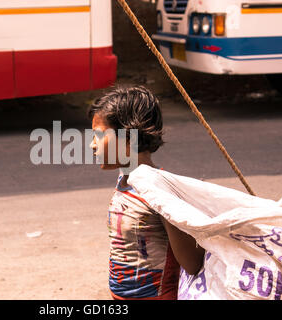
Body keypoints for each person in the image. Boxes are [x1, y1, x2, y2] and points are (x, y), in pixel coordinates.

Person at [88, 85, 205, 300]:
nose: (92, 145)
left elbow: (192, 263)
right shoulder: (125, 181)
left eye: (98, 135)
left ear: (128, 138)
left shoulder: (159, 191)